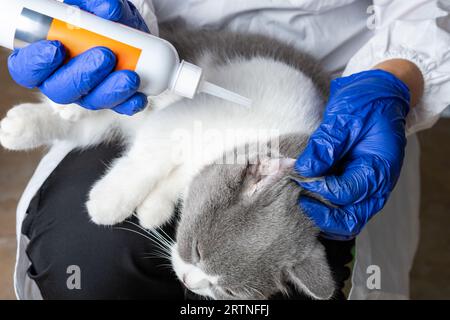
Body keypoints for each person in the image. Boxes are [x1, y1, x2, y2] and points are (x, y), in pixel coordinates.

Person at [6, 0, 450, 300]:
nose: (190, 279)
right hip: (162, 49)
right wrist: (93, 16)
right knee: (91, 256)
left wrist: (398, 77)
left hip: (347, 80)